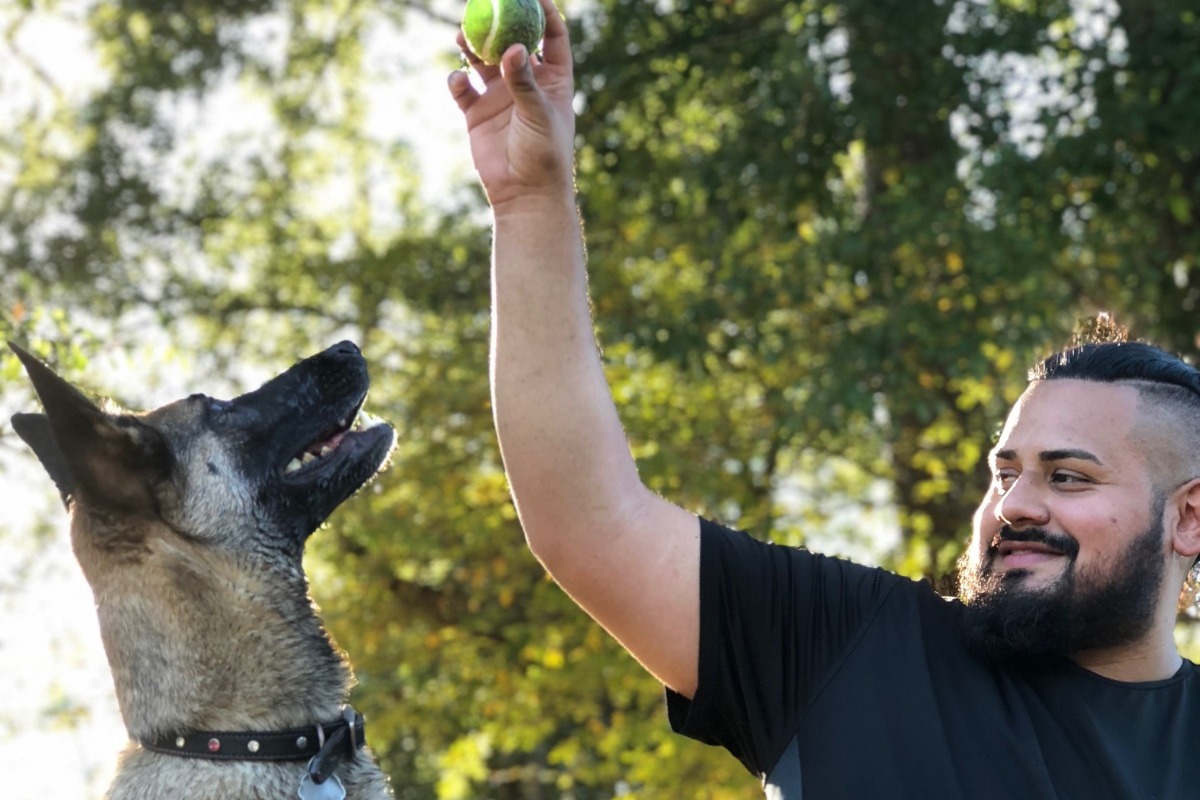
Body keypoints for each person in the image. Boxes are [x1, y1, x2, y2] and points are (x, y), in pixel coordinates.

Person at [448, 4, 1200, 797]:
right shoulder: (856, 645)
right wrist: (530, 200)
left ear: (1188, 518)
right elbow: (587, 523)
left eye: (1068, 476)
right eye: (1003, 472)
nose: (1012, 503)